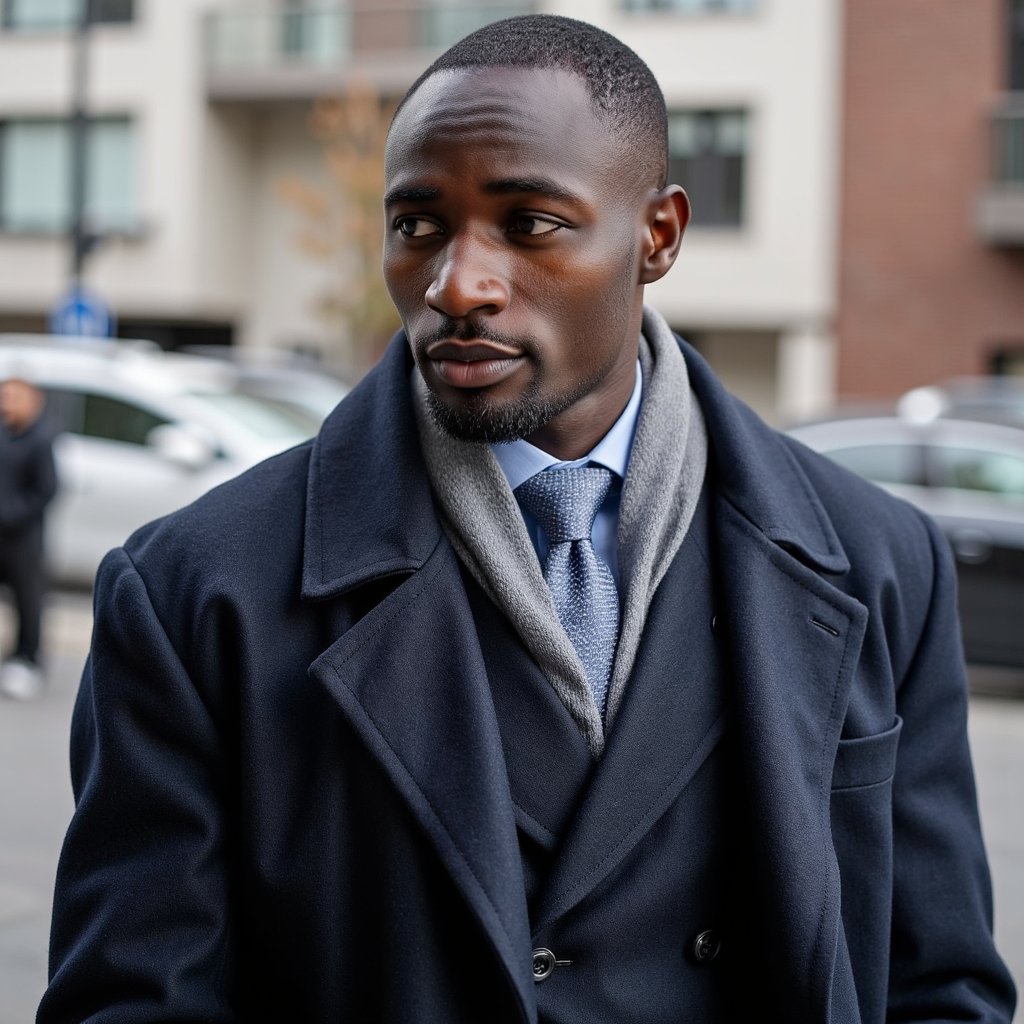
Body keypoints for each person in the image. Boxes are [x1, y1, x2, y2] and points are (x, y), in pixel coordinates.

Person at [41, 15, 1015, 1024]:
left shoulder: (878, 561)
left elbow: (937, 986)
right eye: (417, 224)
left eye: (530, 224)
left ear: (659, 235)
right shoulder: (196, 592)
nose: (456, 284)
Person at [0, 374, 57, 701]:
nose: (8, 403)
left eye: (14, 396)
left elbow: (46, 489)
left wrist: (12, 513)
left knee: (27, 600)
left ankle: (27, 660)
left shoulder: (41, 438)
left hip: (23, 537)